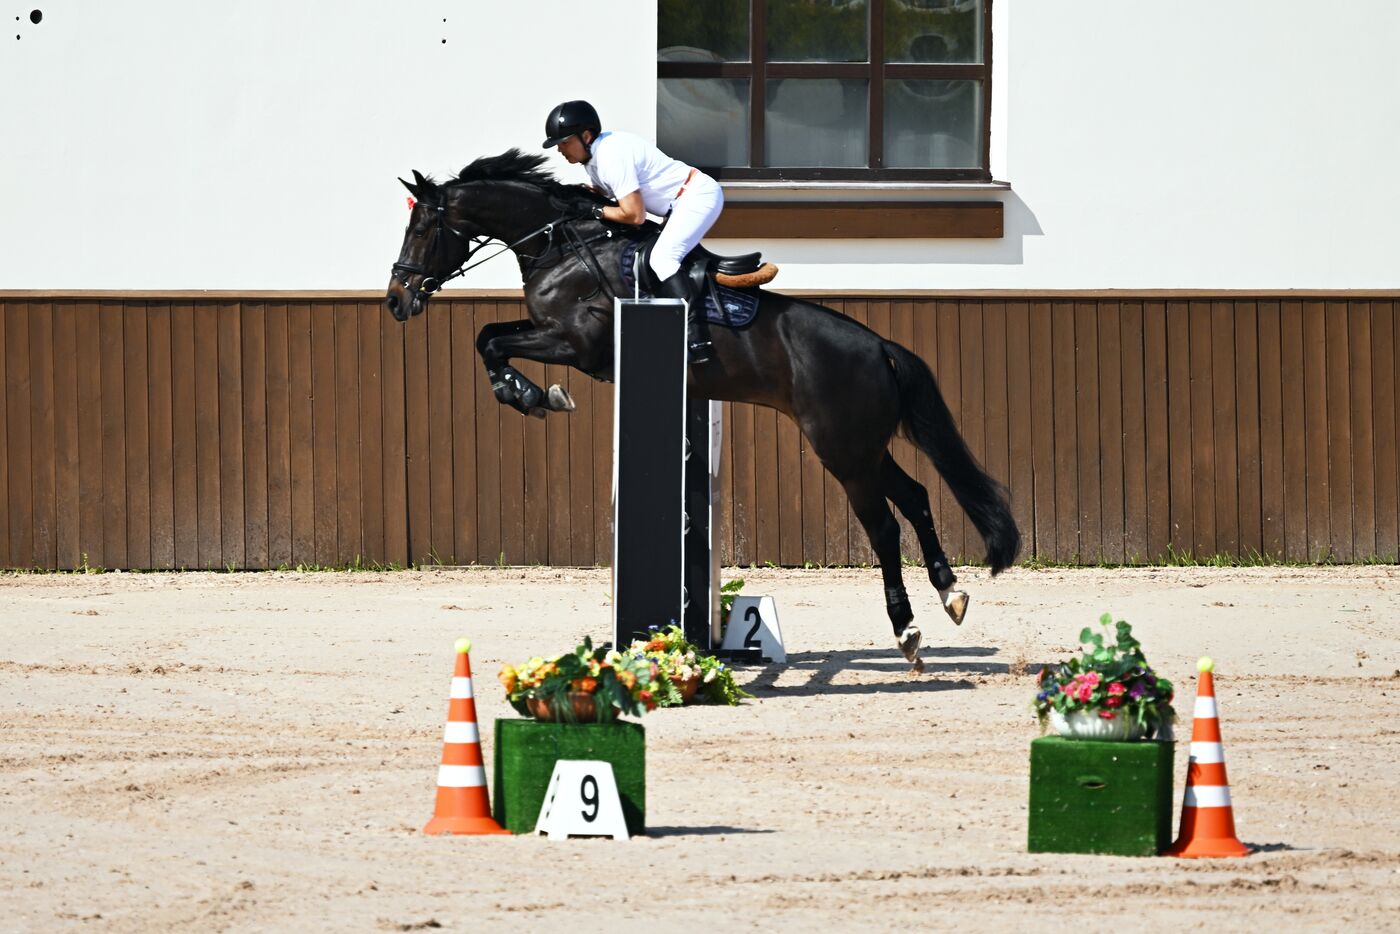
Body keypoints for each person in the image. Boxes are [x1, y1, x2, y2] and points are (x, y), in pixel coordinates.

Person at [542, 99, 721, 363]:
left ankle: (696, 338)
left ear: (586, 136)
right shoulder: (593, 161)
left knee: (662, 258)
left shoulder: (611, 155)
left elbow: (634, 215)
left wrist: (594, 211)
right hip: (679, 204)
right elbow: (606, 197)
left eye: (564, 142)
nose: (559, 149)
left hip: (697, 196)